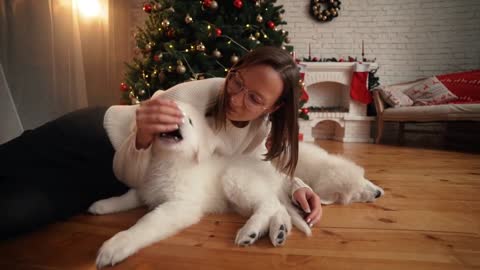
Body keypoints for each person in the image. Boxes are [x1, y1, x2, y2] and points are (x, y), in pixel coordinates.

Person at [0, 46, 322, 240]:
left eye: (253, 98)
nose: (235, 98)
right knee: (11, 161)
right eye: (236, 79)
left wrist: (295, 187)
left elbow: (255, 165)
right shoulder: (191, 98)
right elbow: (133, 171)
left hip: (114, 179)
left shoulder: (258, 130)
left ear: (273, 108)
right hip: (92, 136)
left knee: (16, 215)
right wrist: (142, 137)